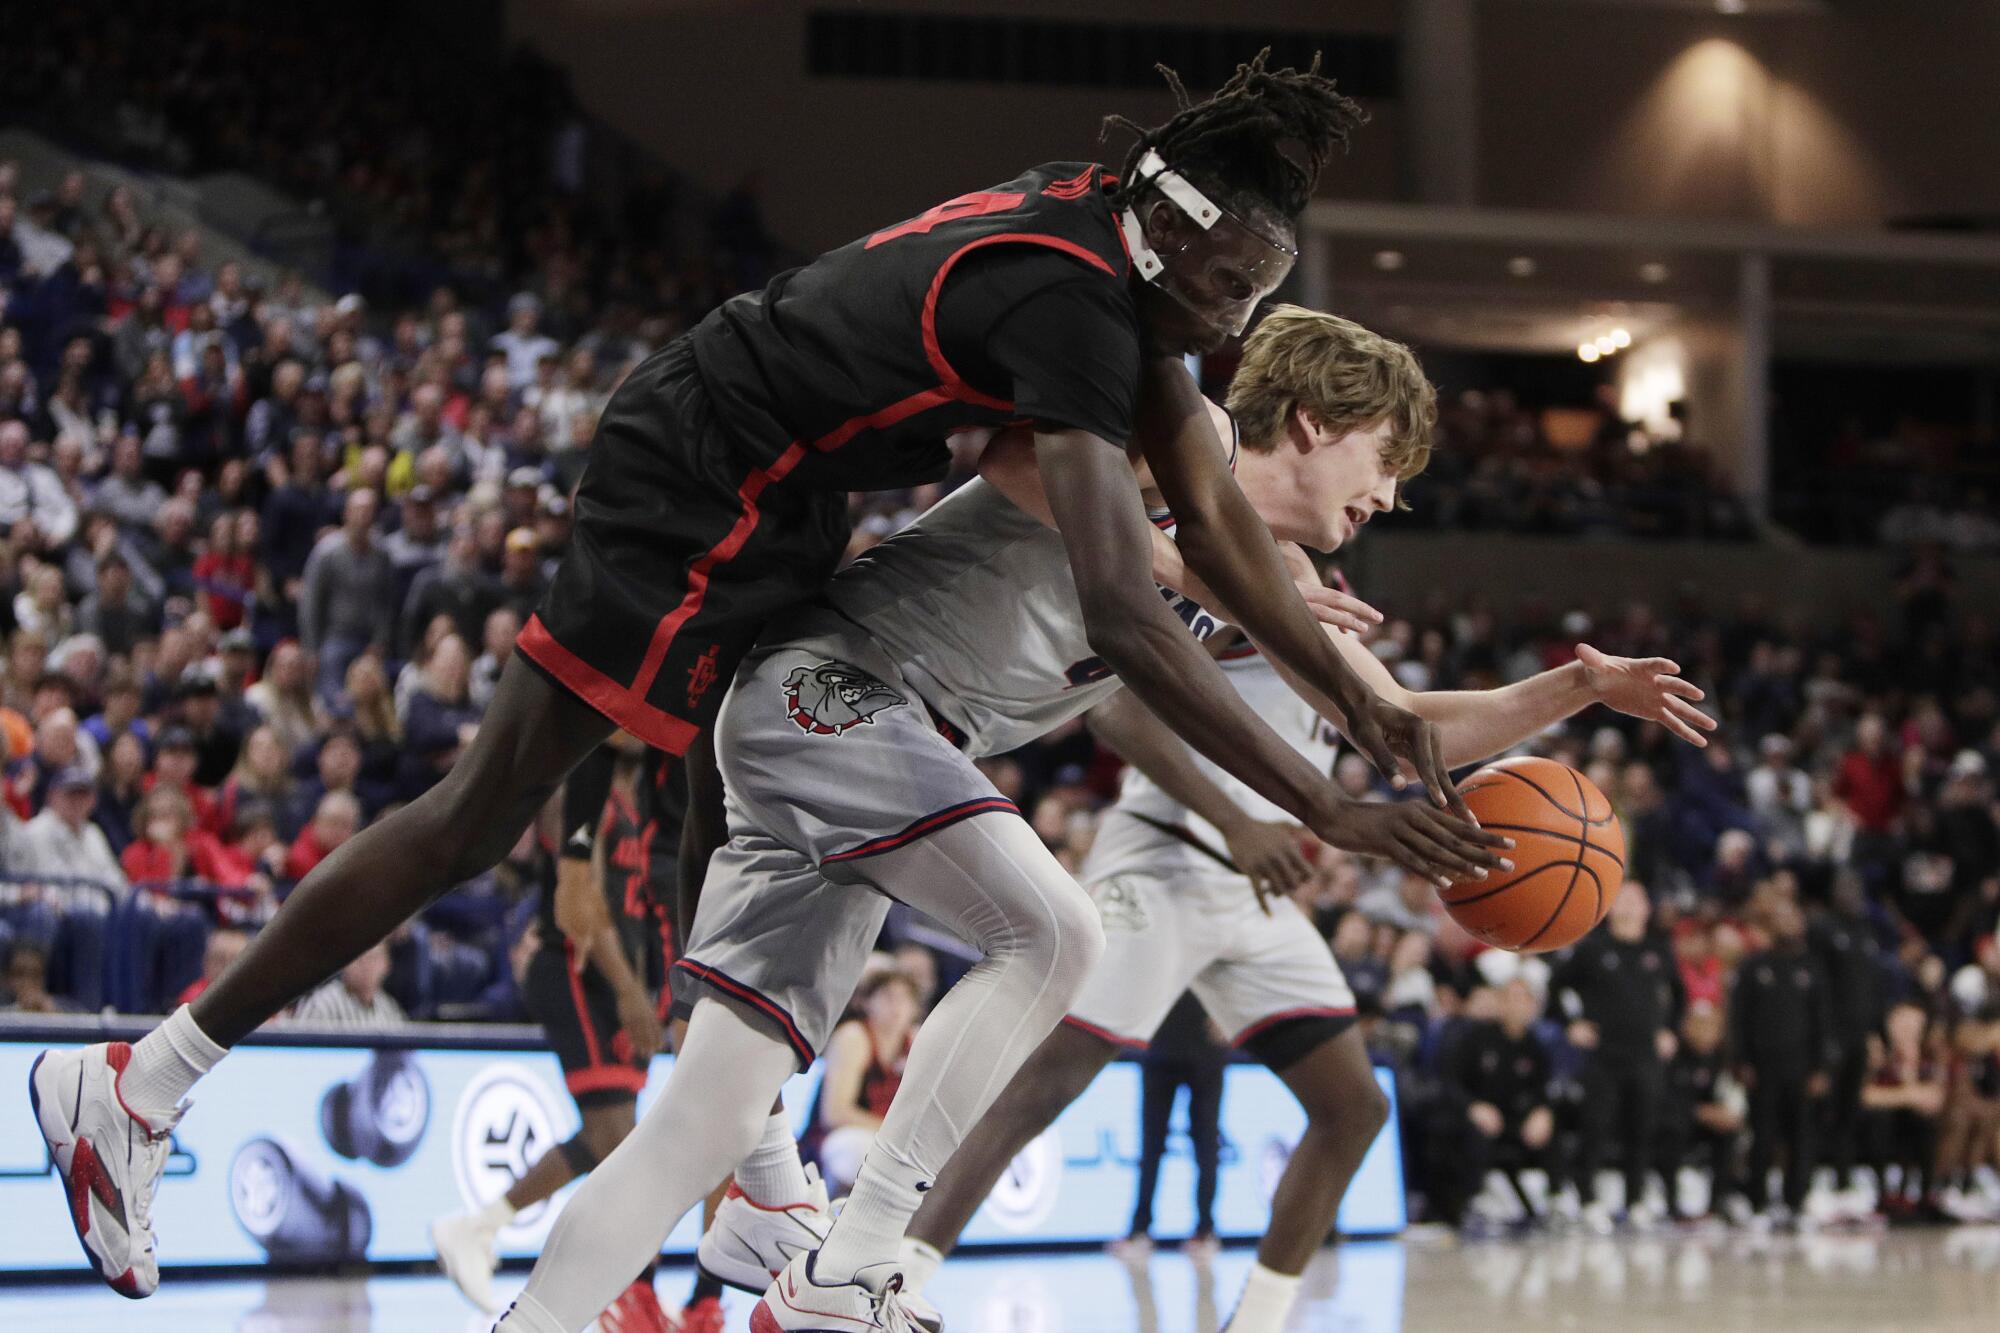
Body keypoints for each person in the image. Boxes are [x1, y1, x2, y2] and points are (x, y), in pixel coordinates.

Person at [35, 53, 1495, 1308]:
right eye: (1228, 289)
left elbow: (1224, 532)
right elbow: (1125, 604)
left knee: (720, 785)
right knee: (487, 811)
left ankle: (758, 1184)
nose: (1237, 328)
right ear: (1169, 244)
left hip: (776, 488)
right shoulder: (1076, 306)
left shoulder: (1118, 248)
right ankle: (147, 1078)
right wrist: (1321, 798)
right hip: (705, 468)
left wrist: (1373, 716)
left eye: (1260, 297)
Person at [499, 308, 1692, 1333]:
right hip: (838, 686)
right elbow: (1015, 462)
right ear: (1316, 423)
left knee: (694, 1127)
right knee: (1057, 934)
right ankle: (859, 1256)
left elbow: (1399, 721)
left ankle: (563, 1302)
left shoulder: (1265, 566)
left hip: (853, 740)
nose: (1396, 493)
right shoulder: (1192, 441)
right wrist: (1181, 572)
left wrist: (1574, 688)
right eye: (1389, 458)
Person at [432, 738, 681, 1325]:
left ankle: (480, 1229)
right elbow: (582, 902)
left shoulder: (648, 797)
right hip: (575, 968)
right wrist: (628, 992)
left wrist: (653, 992)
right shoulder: (577, 788)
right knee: (615, 1138)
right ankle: (618, 1293)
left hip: (623, 980)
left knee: (612, 1141)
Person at [1552, 881, 1685, 1231]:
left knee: (1641, 1129)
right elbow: (1556, 985)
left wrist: (1669, 1030)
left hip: (1644, 1055)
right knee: (1596, 1127)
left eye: (1635, 900)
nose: (1628, 906)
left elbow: (1679, 995)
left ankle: (1636, 1199)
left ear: (1647, 909)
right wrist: (1571, 1023)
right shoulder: (1593, 949)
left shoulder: (1658, 950)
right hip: (1603, 1055)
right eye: (1621, 899)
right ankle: (1587, 1198)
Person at [1731, 897, 1834, 1227]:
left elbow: (1823, 1020)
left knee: (1801, 1136)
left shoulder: (1813, 968)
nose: (1786, 924)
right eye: (1779, 918)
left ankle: (1796, 1201)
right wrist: (1741, 1061)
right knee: (1762, 1135)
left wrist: (1821, 1067)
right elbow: (1738, 1018)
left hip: (1802, 1066)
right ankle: (1757, 1202)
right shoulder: (1753, 967)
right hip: (1762, 1066)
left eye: (1792, 917)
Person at [1119, 992, 1229, 1259]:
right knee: (1151, 1144)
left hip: (1205, 1050)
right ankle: (1140, 1231)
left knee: (1205, 1143)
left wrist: (1228, 1017)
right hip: (1160, 1047)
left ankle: (1205, 1230)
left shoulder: (1217, 951)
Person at [1441, 978, 1556, 1232]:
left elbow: (1544, 1090)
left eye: (1524, 999)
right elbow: (1450, 1083)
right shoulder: (1475, 1039)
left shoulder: (1536, 1047)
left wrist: (1543, 1111)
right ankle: (1471, 1205)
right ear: (1500, 1003)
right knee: (1473, 1135)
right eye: (1511, 998)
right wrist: (1473, 1107)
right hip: (1481, 1118)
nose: (1518, 1006)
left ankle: (1555, 1204)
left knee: (1555, 1130)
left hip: (1517, 1121)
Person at [807, 967, 923, 1195]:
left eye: (905, 999)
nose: (897, 1006)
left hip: (889, 1140)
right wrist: (894, 1133)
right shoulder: (853, 1037)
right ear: (866, 1002)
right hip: (844, 1137)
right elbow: (835, 1114)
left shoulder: (917, 1042)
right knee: (856, 1150)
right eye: (889, 997)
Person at [1860, 1000, 1946, 1220]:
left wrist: (1909, 1073)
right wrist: (1909, 1095)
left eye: (1913, 1023)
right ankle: (1885, 1193)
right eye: (1901, 1021)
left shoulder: (1929, 1054)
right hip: (1880, 1122)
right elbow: (1865, 1096)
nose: (1907, 1028)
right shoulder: (1877, 1051)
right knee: (1881, 1120)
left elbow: (1934, 1098)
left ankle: (1926, 1194)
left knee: (1925, 1123)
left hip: (1913, 1122)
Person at [289, 942, 406, 1030]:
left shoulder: (388, 1007)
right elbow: (302, 1053)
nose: (365, 965)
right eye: (358, 958)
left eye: (372, 958)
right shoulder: (322, 1003)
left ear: (386, 964)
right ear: (344, 963)